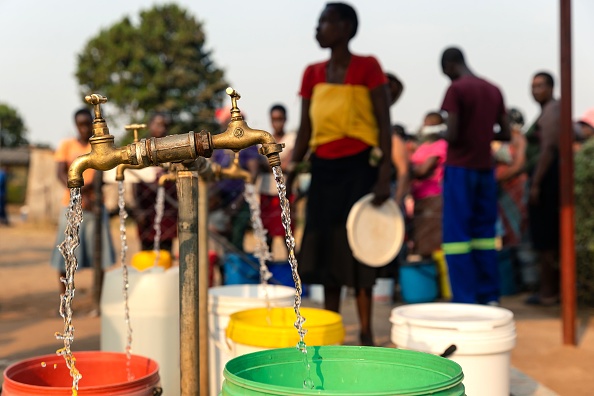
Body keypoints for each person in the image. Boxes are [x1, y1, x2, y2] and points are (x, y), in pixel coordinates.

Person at [286, 2, 393, 346]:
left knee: (359, 250)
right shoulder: (311, 73)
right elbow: (304, 130)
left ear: (345, 27)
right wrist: (288, 173)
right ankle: (334, 332)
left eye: (324, 23)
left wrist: (384, 173)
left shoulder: (368, 67)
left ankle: (365, 332)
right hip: (323, 171)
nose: (318, 30)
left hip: (361, 169)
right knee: (327, 254)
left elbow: (384, 122)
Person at [439, 47, 510, 305]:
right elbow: (506, 133)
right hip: (485, 170)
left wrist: (440, 134)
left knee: (457, 237)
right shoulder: (493, 89)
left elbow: (454, 133)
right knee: (484, 236)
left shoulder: (456, 89)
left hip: (460, 169)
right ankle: (489, 296)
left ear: (449, 65)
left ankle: (465, 300)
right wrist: (482, 135)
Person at [50, 108, 115, 295]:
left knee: (99, 255)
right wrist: (76, 191)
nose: (85, 129)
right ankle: (65, 297)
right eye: (81, 125)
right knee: (64, 254)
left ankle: (97, 298)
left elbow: (100, 176)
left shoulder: (98, 147)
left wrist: (86, 192)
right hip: (71, 204)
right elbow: (60, 173)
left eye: (88, 124)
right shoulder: (66, 146)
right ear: (76, 125)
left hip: (95, 205)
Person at [524, 72, 560, 306]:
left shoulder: (552, 111)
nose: (535, 90)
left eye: (539, 86)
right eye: (532, 86)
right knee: (544, 241)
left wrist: (536, 183)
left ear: (550, 87)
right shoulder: (547, 111)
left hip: (548, 181)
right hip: (544, 179)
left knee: (546, 241)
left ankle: (549, 292)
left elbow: (548, 149)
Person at [209, 107, 260, 251]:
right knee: (219, 244)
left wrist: (239, 202)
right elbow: (212, 173)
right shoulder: (218, 144)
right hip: (220, 200)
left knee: (236, 241)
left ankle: (235, 272)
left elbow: (253, 174)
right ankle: (225, 272)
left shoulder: (248, 144)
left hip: (241, 199)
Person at [493, 108, 528, 293]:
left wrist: (499, 178)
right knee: (505, 232)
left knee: (517, 228)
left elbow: (519, 165)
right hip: (501, 191)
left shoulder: (519, 139)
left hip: (515, 188)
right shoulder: (501, 140)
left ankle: (520, 279)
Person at [133, 113, 178, 254]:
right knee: (146, 250)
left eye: (165, 125)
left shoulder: (172, 147)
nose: (162, 128)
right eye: (158, 124)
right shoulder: (141, 148)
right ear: (150, 125)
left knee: (166, 248)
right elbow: (134, 181)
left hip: (168, 206)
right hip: (146, 206)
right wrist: (137, 208)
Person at [409, 112, 448, 261]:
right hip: (420, 198)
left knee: (431, 245)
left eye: (428, 123)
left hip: (433, 197)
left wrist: (406, 170)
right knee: (423, 242)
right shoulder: (424, 146)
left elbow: (423, 170)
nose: (424, 126)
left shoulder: (440, 146)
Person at [256, 104, 296, 247]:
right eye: (274, 119)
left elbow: (288, 164)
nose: (277, 123)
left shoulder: (291, 138)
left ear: (285, 119)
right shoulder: (264, 139)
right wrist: (279, 164)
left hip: (285, 192)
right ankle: (270, 267)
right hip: (267, 192)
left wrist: (268, 164)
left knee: (288, 236)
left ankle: (290, 269)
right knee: (268, 238)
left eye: (280, 119)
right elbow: (281, 165)